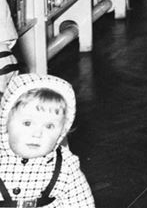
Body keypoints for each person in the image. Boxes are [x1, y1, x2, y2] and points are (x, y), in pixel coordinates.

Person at [0, 73, 94, 207]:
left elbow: (82, 204)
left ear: (62, 131)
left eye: (49, 126)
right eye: (27, 123)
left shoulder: (65, 167)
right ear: (5, 121)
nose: (37, 134)